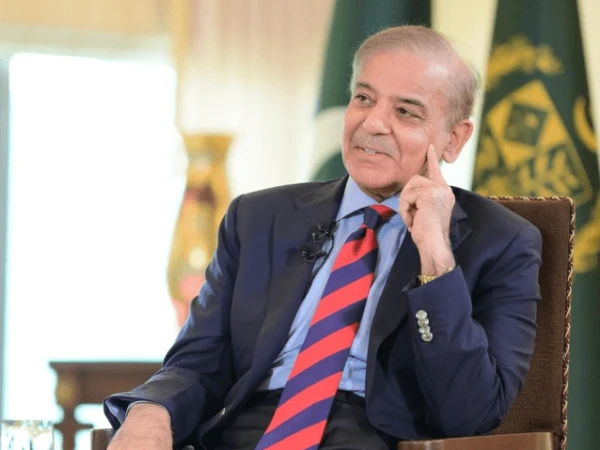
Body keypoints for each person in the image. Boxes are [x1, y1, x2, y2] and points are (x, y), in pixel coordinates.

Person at [104, 26, 542, 450]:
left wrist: (436, 259)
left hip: (376, 436)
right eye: (364, 98)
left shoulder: (501, 242)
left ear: (454, 138)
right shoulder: (258, 218)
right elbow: (199, 360)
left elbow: (469, 413)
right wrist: (150, 411)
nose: (373, 123)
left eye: (405, 112)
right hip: (245, 431)